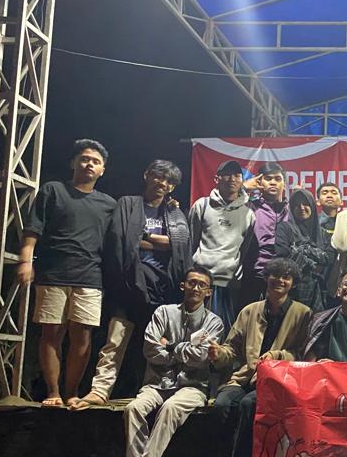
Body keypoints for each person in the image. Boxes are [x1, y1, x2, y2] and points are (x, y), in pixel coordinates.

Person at [76, 160, 189, 407]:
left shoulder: (174, 213)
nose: (162, 183)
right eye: (158, 176)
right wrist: (156, 241)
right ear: (147, 175)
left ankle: (151, 394)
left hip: (161, 288)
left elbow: (179, 245)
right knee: (114, 342)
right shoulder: (128, 204)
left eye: (169, 181)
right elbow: (120, 237)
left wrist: (144, 238)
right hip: (127, 285)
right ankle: (100, 390)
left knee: (156, 346)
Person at [110, 266, 224, 457]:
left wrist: (170, 346)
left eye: (201, 285)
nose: (195, 288)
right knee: (133, 409)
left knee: (170, 408)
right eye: (191, 282)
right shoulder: (163, 312)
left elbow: (201, 358)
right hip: (157, 383)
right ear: (183, 286)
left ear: (209, 292)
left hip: (193, 386)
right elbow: (150, 350)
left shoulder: (214, 322)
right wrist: (184, 350)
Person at [19, 140, 116, 406]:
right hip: (53, 274)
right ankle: (53, 393)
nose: (89, 164)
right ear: (73, 163)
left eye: (95, 161)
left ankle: (72, 391)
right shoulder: (53, 190)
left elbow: (123, 236)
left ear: (102, 170)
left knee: (82, 338)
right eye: (84, 159)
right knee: (51, 334)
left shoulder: (108, 204)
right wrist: (26, 261)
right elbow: (33, 229)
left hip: (90, 277)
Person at [210, 258, 313, 457]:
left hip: (278, 381)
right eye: (275, 275)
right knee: (222, 405)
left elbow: (303, 353)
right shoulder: (250, 311)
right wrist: (218, 354)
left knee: (249, 405)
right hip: (245, 376)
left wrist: (278, 356)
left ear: (292, 283)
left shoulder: (303, 313)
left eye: (286, 276)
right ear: (266, 278)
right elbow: (231, 348)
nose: (280, 280)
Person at [188, 159, 254, 332]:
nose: (232, 179)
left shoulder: (249, 213)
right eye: (227, 174)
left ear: (241, 180)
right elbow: (191, 242)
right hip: (201, 281)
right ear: (217, 179)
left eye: (237, 175)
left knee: (224, 332)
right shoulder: (202, 205)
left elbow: (245, 249)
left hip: (230, 282)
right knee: (196, 331)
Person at [240, 162, 290, 306]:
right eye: (268, 178)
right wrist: (243, 188)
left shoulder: (292, 210)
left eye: (278, 179)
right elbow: (225, 208)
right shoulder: (249, 207)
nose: (273, 182)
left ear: (284, 185)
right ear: (260, 182)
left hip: (285, 277)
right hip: (254, 275)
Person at [274, 187, 331, 311]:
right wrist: (314, 258)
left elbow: (328, 259)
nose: (301, 208)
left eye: (306, 204)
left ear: (312, 206)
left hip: (318, 293)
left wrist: (302, 250)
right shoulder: (285, 228)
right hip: (292, 290)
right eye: (296, 205)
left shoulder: (322, 233)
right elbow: (282, 254)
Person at [316, 181, 342, 247]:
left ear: (341, 201)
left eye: (334, 193)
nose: (329, 196)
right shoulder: (313, 222)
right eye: (324, 193)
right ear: (318, 201)